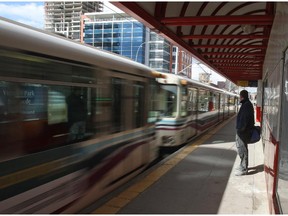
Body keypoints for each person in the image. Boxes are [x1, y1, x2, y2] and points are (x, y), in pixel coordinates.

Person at [235, 90, 255, 176]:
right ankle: (242, 165)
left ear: (242, 96)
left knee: (242, 149)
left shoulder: (246, 105)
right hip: (243, 131)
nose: (239, 98)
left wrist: (240, 130)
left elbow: (244, 120)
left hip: (243, 132)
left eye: (240, 96)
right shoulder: (246, 104)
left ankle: (244, 169)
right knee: (241, 148)